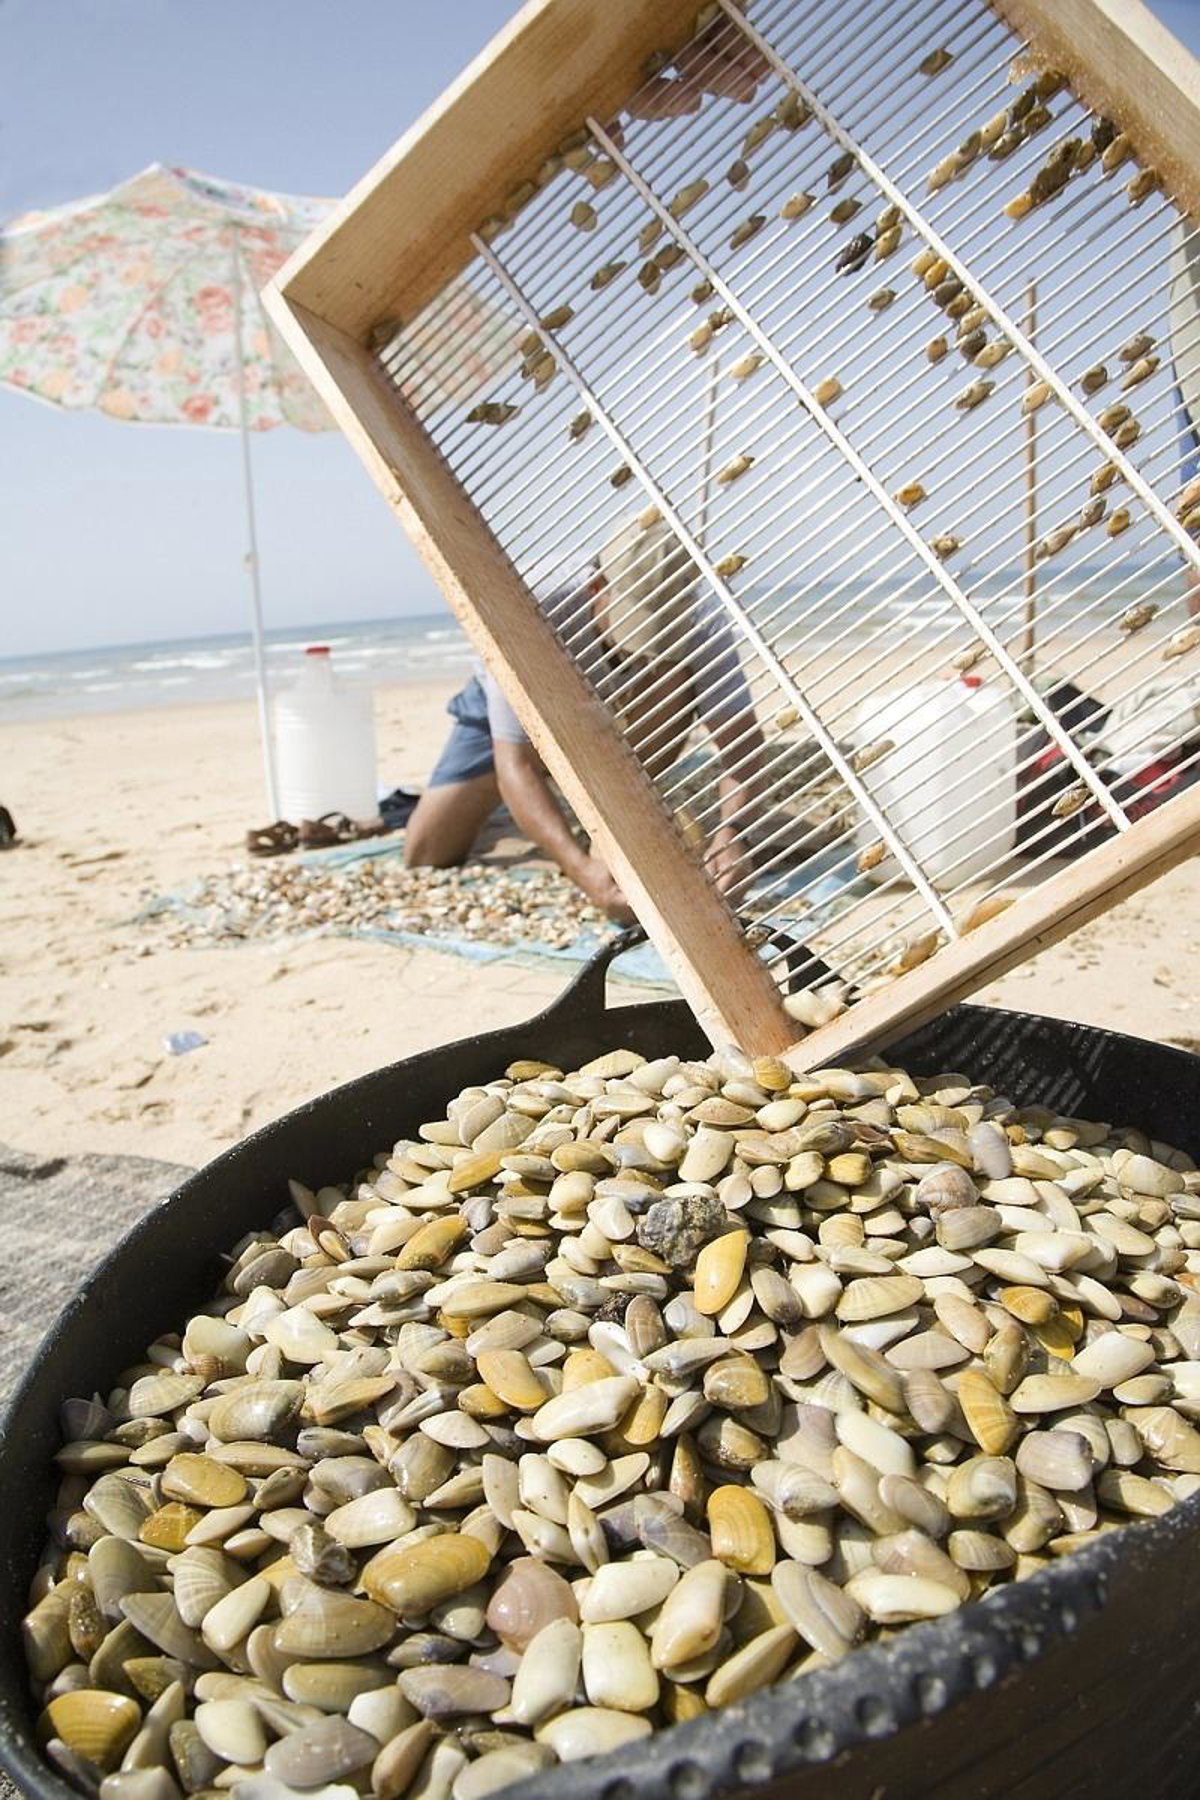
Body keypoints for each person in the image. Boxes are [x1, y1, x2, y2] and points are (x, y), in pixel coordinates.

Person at [404, 514, 763, 919]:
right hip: (521, 699)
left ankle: (618, 804)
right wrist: (582, 871)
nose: (640, 649)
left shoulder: (701, 614)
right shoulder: (525, 601)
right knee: (427, 851)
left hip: (637, 703)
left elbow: (741, 741)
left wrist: (735, 834)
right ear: (598, 587)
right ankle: (549, 809)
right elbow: (515, 763)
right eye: (635, 625)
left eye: (660, 631)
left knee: (670, 672)